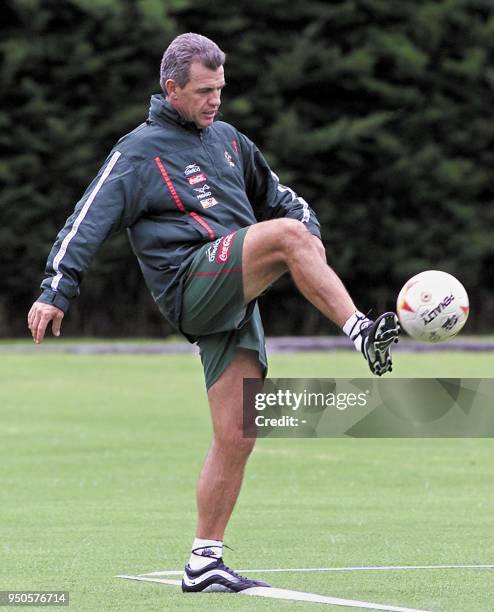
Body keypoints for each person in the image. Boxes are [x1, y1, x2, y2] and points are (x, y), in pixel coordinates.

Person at [27, 33, 399, 593]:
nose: (215, 100)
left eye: (220, 89)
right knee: (287, 237)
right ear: (171, 88)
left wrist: (307, 241)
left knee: (238, 434)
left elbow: (284, 201)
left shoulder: (228, 140)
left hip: (231, 294)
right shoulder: (138, 151)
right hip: (189, 281)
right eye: (204, 91)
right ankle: (361, 330)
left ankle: (204, 560)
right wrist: (56, 288)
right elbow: (87, 219)